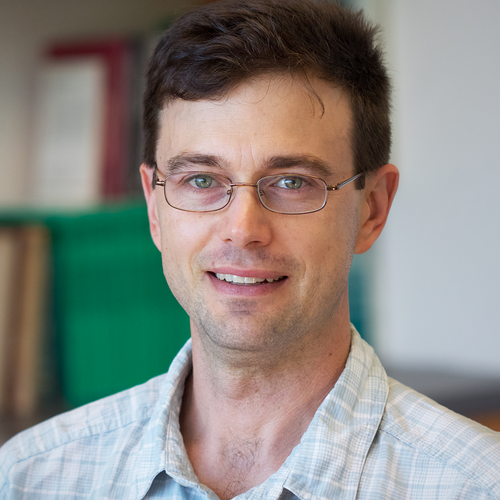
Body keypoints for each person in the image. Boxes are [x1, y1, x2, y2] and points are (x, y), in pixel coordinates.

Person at [1, 0, 499, 498]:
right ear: (155, 208)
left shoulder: (474, 485)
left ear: (371, 210)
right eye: (200, 179)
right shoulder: (30, 478)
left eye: (291, 181)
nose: (242, 230)